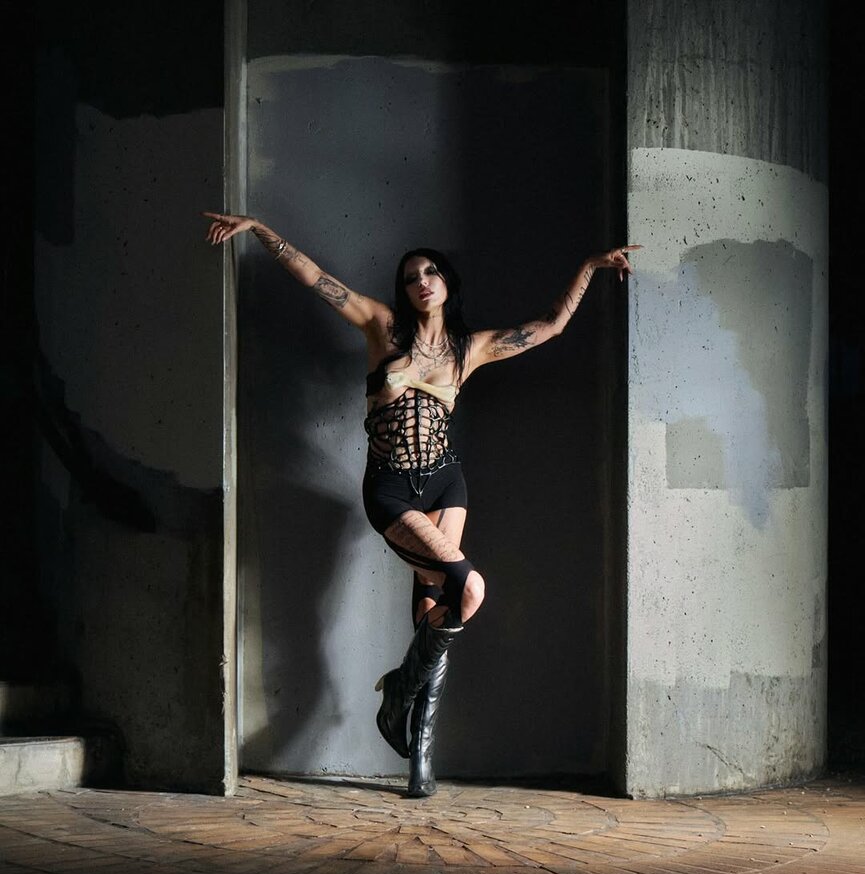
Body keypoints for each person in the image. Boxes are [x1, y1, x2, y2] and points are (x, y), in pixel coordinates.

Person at [204, 210, 638, 797]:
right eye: (411, 277)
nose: (422, 282)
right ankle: (399, 696)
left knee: (435, 606)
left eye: (431, 272)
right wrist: (259, 229)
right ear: (403, 290)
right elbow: (317, 279)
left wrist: (589, 265)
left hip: (445, 483)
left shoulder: (470, 348)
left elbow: (552, 326)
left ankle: (418, 753)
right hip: (389, 487)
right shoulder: (382, 327)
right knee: (468, 589)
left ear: (447, 282)